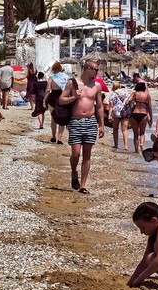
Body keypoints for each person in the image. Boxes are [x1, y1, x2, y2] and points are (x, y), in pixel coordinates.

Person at [59, 58, 105, 194]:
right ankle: (74, 172)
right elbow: (61, 100)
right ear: (87, 69)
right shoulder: (72, 83)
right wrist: (74, 97)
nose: (97, 72)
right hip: (75, 121)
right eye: (95, 69)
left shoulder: (97, 86)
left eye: (97, 69)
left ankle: (83, 185)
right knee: (76, 153)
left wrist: (101, 125)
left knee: (87, 155)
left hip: (90, 121)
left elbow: (100, 106)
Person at [45, 61, 70, 144]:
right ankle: (60, 138)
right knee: (61, 118)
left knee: (53, 118)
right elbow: (69, 88)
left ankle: (53, 137)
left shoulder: (51, 78)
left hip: (52, 98)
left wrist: (44, 100)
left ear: (53, 69)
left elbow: (48, 90)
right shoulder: (66, 77)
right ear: (60, 68)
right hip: (62, 97)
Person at [128, 80, 152, 152]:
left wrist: (132, 103)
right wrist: (150, 118)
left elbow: (128, 101)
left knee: (135, 133)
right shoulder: (147, 96)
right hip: (143, 114)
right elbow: (150, 108)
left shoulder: (134, 94)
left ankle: (136, 150)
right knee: (142, 132)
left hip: (134, 113)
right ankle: (141, 144)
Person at [108, 82, 133, 153]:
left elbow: (111, 106)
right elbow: (130, 101)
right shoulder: (126, 92)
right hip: (125, 112)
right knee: (124, 130)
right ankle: (126, 146)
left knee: (115, 129)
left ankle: (116, 145)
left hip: (116, 113)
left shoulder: (112, 94)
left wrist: (109, 115)